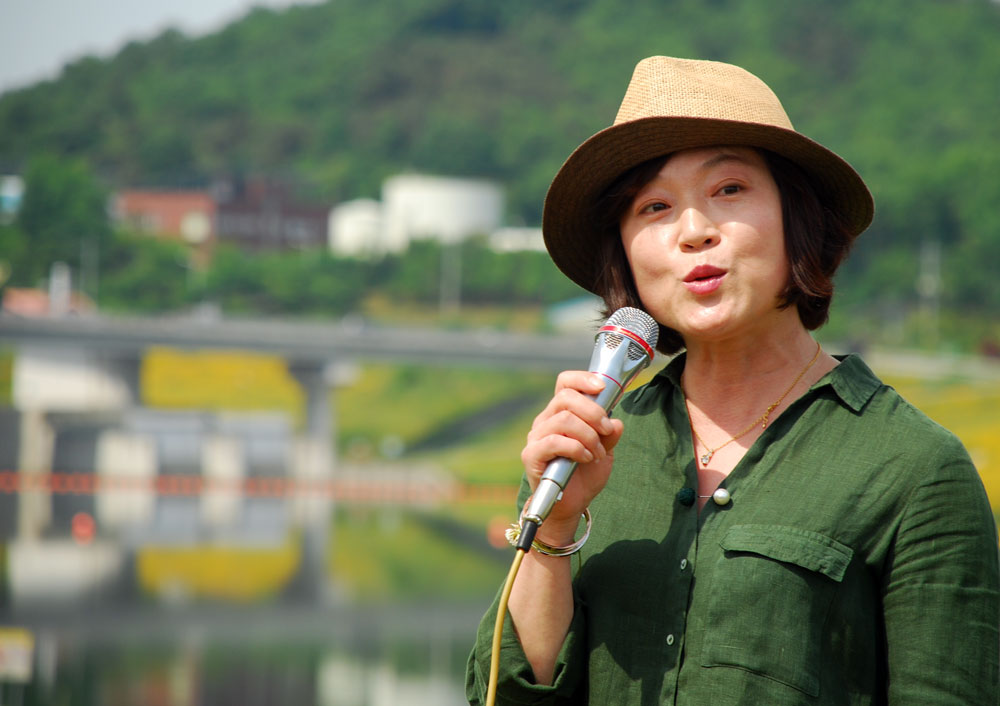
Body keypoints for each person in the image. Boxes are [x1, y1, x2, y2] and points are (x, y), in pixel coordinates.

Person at [465, 56, 999, 705]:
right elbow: (510, 694)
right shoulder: (588, 449)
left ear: (795, 217)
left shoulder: (914, 469)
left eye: (729, 190)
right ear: (627, 257)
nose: (694, 232)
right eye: (655, 207)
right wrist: (553, 529)